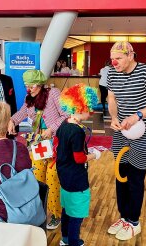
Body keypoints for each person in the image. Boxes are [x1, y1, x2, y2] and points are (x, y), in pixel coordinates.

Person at [106, 41, 146, 241]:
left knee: (135, 176)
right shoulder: (112, 73)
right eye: (113, 58)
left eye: (119, 58)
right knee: (120, 174)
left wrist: (138, 115)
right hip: (121, 130)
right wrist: (113, 117)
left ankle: (134, 222)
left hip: (143, 131)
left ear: (131, 55)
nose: (114, 62)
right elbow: (111, 99)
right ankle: (123, 217)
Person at [8, 69, 69, 230]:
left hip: (55, 141)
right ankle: (41, 210)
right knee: (37, 176)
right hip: (39, 141)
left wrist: (52, 129)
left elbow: (66, 114)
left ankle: (56, 214)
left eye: (33, 85)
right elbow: (22, 112)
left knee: (52, 177)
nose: (29, 88)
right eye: (27, 85)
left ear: (41, 84)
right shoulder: (29, 97)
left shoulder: (53, 93)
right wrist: (11, 120)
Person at [56, 84, 99, 246]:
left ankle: (65, 239)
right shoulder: (77, 131)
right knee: (77, 213)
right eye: (89, 109)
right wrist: (94, 155)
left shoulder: (64, 124)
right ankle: (73, 242)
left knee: (67, 209)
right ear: (81, 107)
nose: (91, 112)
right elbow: (79, 159)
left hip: (64, 176)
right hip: (76, 178)